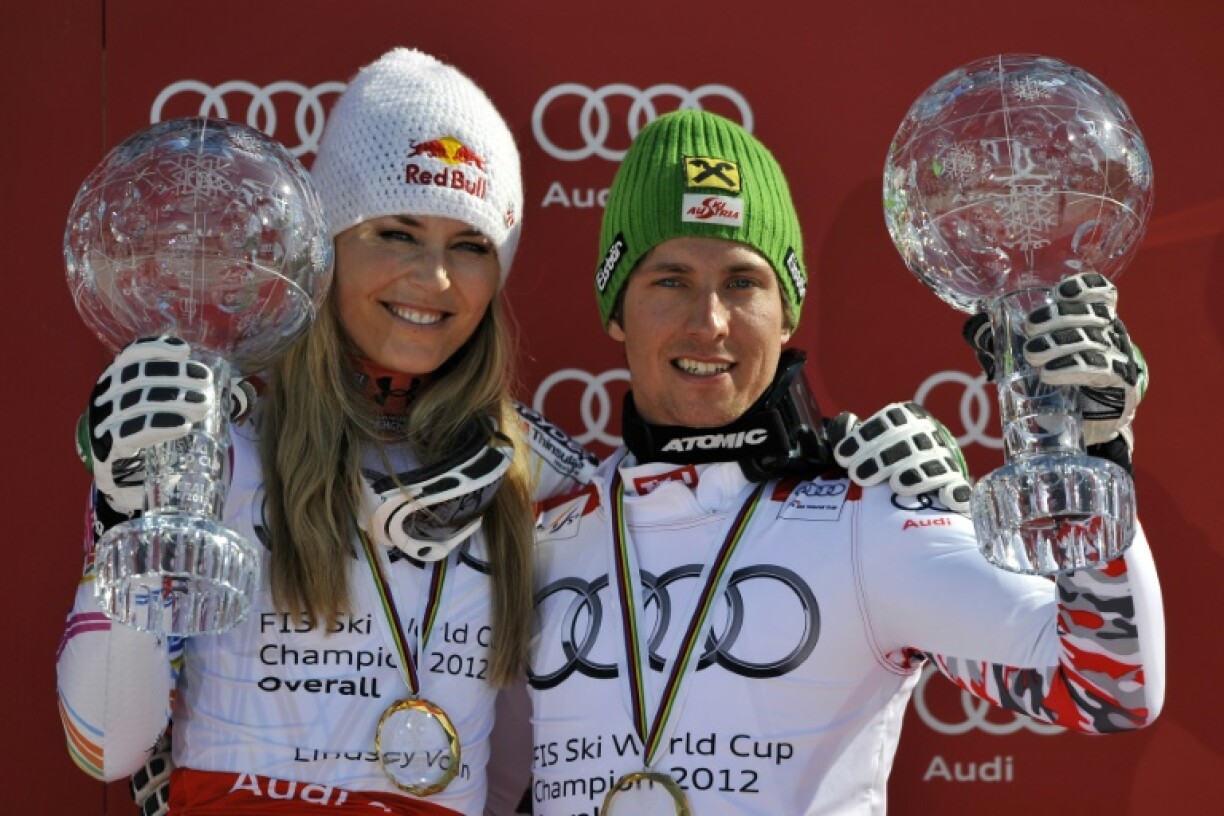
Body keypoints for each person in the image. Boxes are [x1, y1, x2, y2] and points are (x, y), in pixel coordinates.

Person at [525, 109, 1165, 815]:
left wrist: (1093, 456)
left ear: (787, 311)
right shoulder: (541, 532)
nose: (709, 322)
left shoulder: (873, 511)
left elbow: (1109, 686)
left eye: (743, 283)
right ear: (616, 308)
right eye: (670, 281)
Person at [56, 48, 594, 816]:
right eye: (397, 233)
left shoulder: (536, 475)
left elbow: (540, 772)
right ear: (326, 244)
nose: (434, 278)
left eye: (470, 245)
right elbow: (104, 741)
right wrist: (126, 518)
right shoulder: (212, 442)